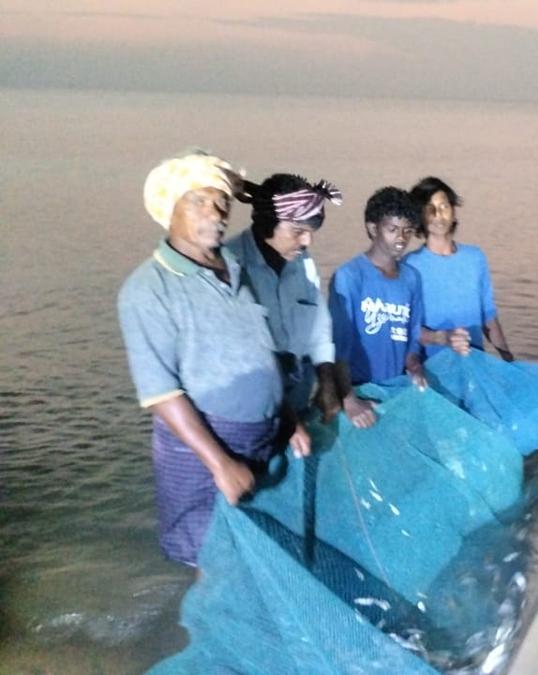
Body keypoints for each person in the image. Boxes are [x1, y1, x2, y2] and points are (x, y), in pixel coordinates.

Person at [117, 150, 309, 567]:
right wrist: (220, 463)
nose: (216, 211)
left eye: (221, 202)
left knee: (254, 548)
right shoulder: (148, 289)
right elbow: (161, 393)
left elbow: (259, 348)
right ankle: (204, 631)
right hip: (203, 448)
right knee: (211, 556)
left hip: (262, 435)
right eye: (199, 201)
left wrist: (289, 419)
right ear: (170, 210)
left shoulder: (234, 267)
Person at [225, 173, 375, 428]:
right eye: (298, 232)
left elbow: (318, 326)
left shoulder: (303, 263)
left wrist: (326, 381)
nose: (307, 241)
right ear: (265, 222)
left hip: (297, 396)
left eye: (311, 232)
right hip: (247, 410)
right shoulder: (230, 265)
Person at [328, 187, 429, 409]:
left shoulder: (412, 278)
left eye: (408, 230)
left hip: (397, 391)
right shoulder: (349, 276)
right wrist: (349, 400)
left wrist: (414, 367)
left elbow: (412, 336)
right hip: (359, 390)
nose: (401, 238)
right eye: (392, 229)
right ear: (373, 228)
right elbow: (338, 346)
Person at [405, 176, 515, 362]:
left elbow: (488, 317)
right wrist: (441, 338)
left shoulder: (475, 258)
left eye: (444, 207)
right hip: (433, 369)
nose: (438, 215)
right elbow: (405, 328)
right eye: (430, 209)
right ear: (420, 217)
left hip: (474, 364)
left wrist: (508, 358)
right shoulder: (410, 266)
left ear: (454, 211)